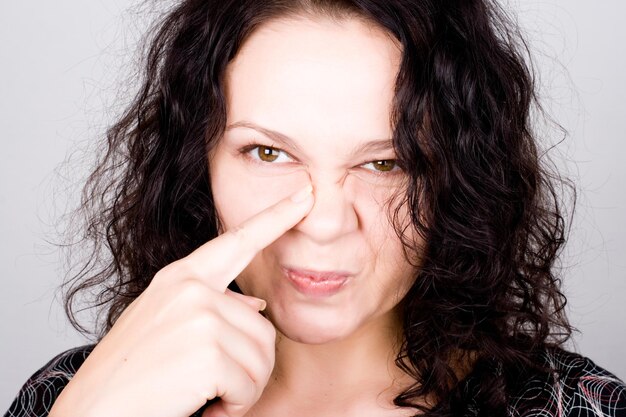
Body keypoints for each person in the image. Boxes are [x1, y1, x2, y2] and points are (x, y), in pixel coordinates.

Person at [5, 0, 626, 416]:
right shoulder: (80, 395)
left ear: (458, 180)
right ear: (198, 164)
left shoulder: (575, 406)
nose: (324, 223)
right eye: (268, 152)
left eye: (387, 163)